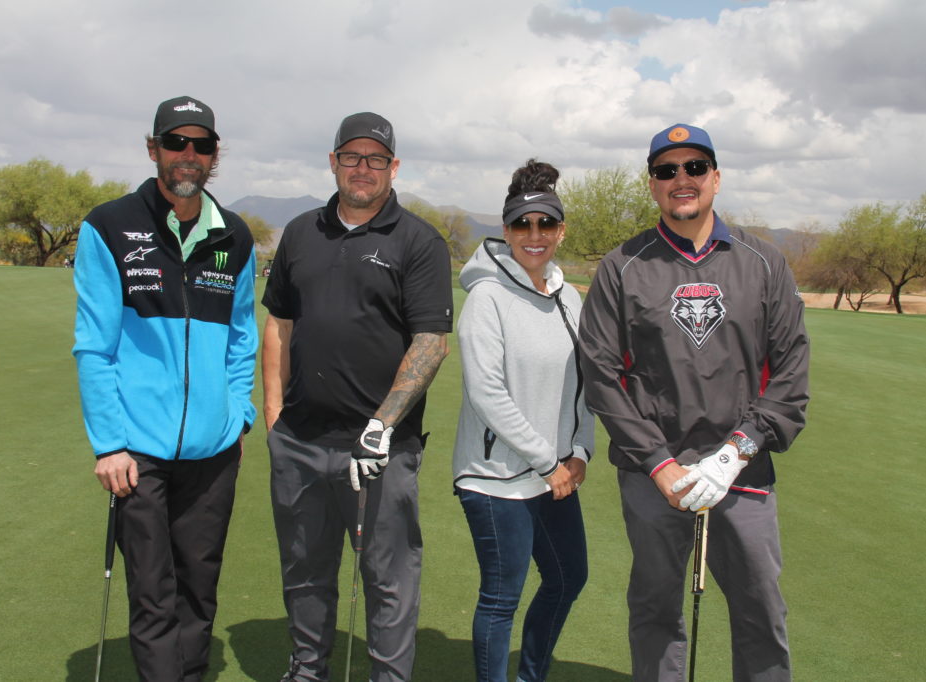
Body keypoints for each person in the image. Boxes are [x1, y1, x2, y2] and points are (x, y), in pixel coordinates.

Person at [578, 123, 810, 682]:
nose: (681, 179)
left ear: (716, 177)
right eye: (666, 170)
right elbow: (601, 375)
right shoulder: (622, 266)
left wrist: (734, 454)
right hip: (656, 474)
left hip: (743, 471)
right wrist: (658, 464)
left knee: (761, 611)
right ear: (652, 184)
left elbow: (790, 374)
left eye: (695, 167)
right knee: (655, 609)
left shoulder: (764, 262)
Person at [261, 112, 453, 681]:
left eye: (375, 159)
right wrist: (274, 416)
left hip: (380, 451)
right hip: (300, 442)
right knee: (304, 572)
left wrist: (381, 425)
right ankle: (307, 671)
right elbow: (279, 326)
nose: (362, 168)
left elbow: (431, 341)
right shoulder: (301, 232)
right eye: (351, 156)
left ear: (393, 167)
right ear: (333, 162)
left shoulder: (418, 240)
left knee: (388, 581)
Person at [72, 96, 258, 681]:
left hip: (213, 451)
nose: (188, 154)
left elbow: (242, 338)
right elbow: (94, 347)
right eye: (176, 142)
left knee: (199, 591)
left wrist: (238, 415)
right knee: (154, 595)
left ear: (215, 154)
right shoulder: (109, 226)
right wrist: (109, 444)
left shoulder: (235, 236)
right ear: (152, 148)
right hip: (138, 452)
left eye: (202, 144)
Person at [452, 159, 593, 682]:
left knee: (567, 577)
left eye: (546, 224)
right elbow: (487, 393)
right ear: (506, 231)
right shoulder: (486, 297)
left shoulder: (569, 296)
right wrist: (547, 461)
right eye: (523, 225)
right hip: (496, 479)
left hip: (554, 474)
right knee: (501, 596)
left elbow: (585, 383)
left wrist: (580, 451)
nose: (535, 235)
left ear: (561, 230)